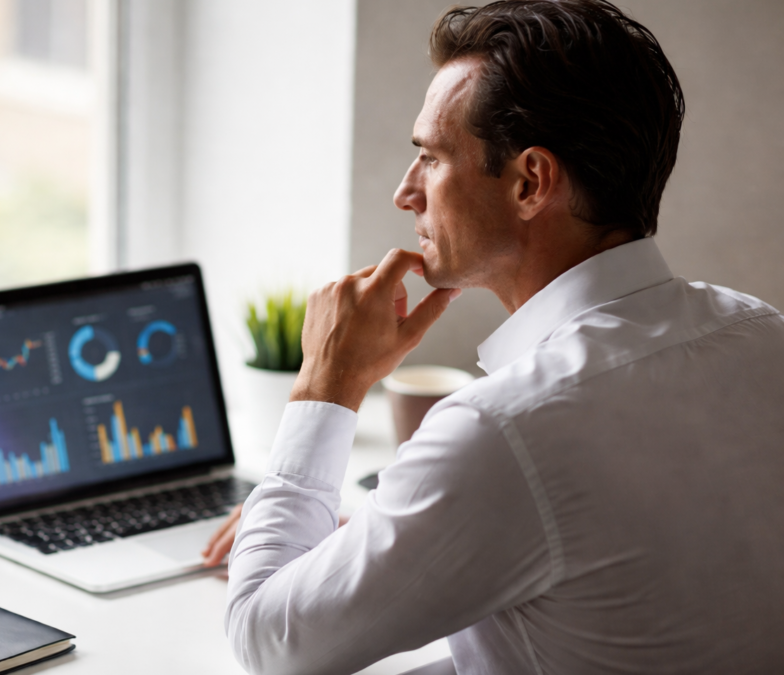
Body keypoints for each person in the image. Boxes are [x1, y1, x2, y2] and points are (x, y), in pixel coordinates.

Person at [202, 1, 784, 674]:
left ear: (530, 182)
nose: (405, 193)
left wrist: (325, 385)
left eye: (430, 157)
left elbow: (267, 642)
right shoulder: (764, 333)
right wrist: (405, 533)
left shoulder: (503, 430)